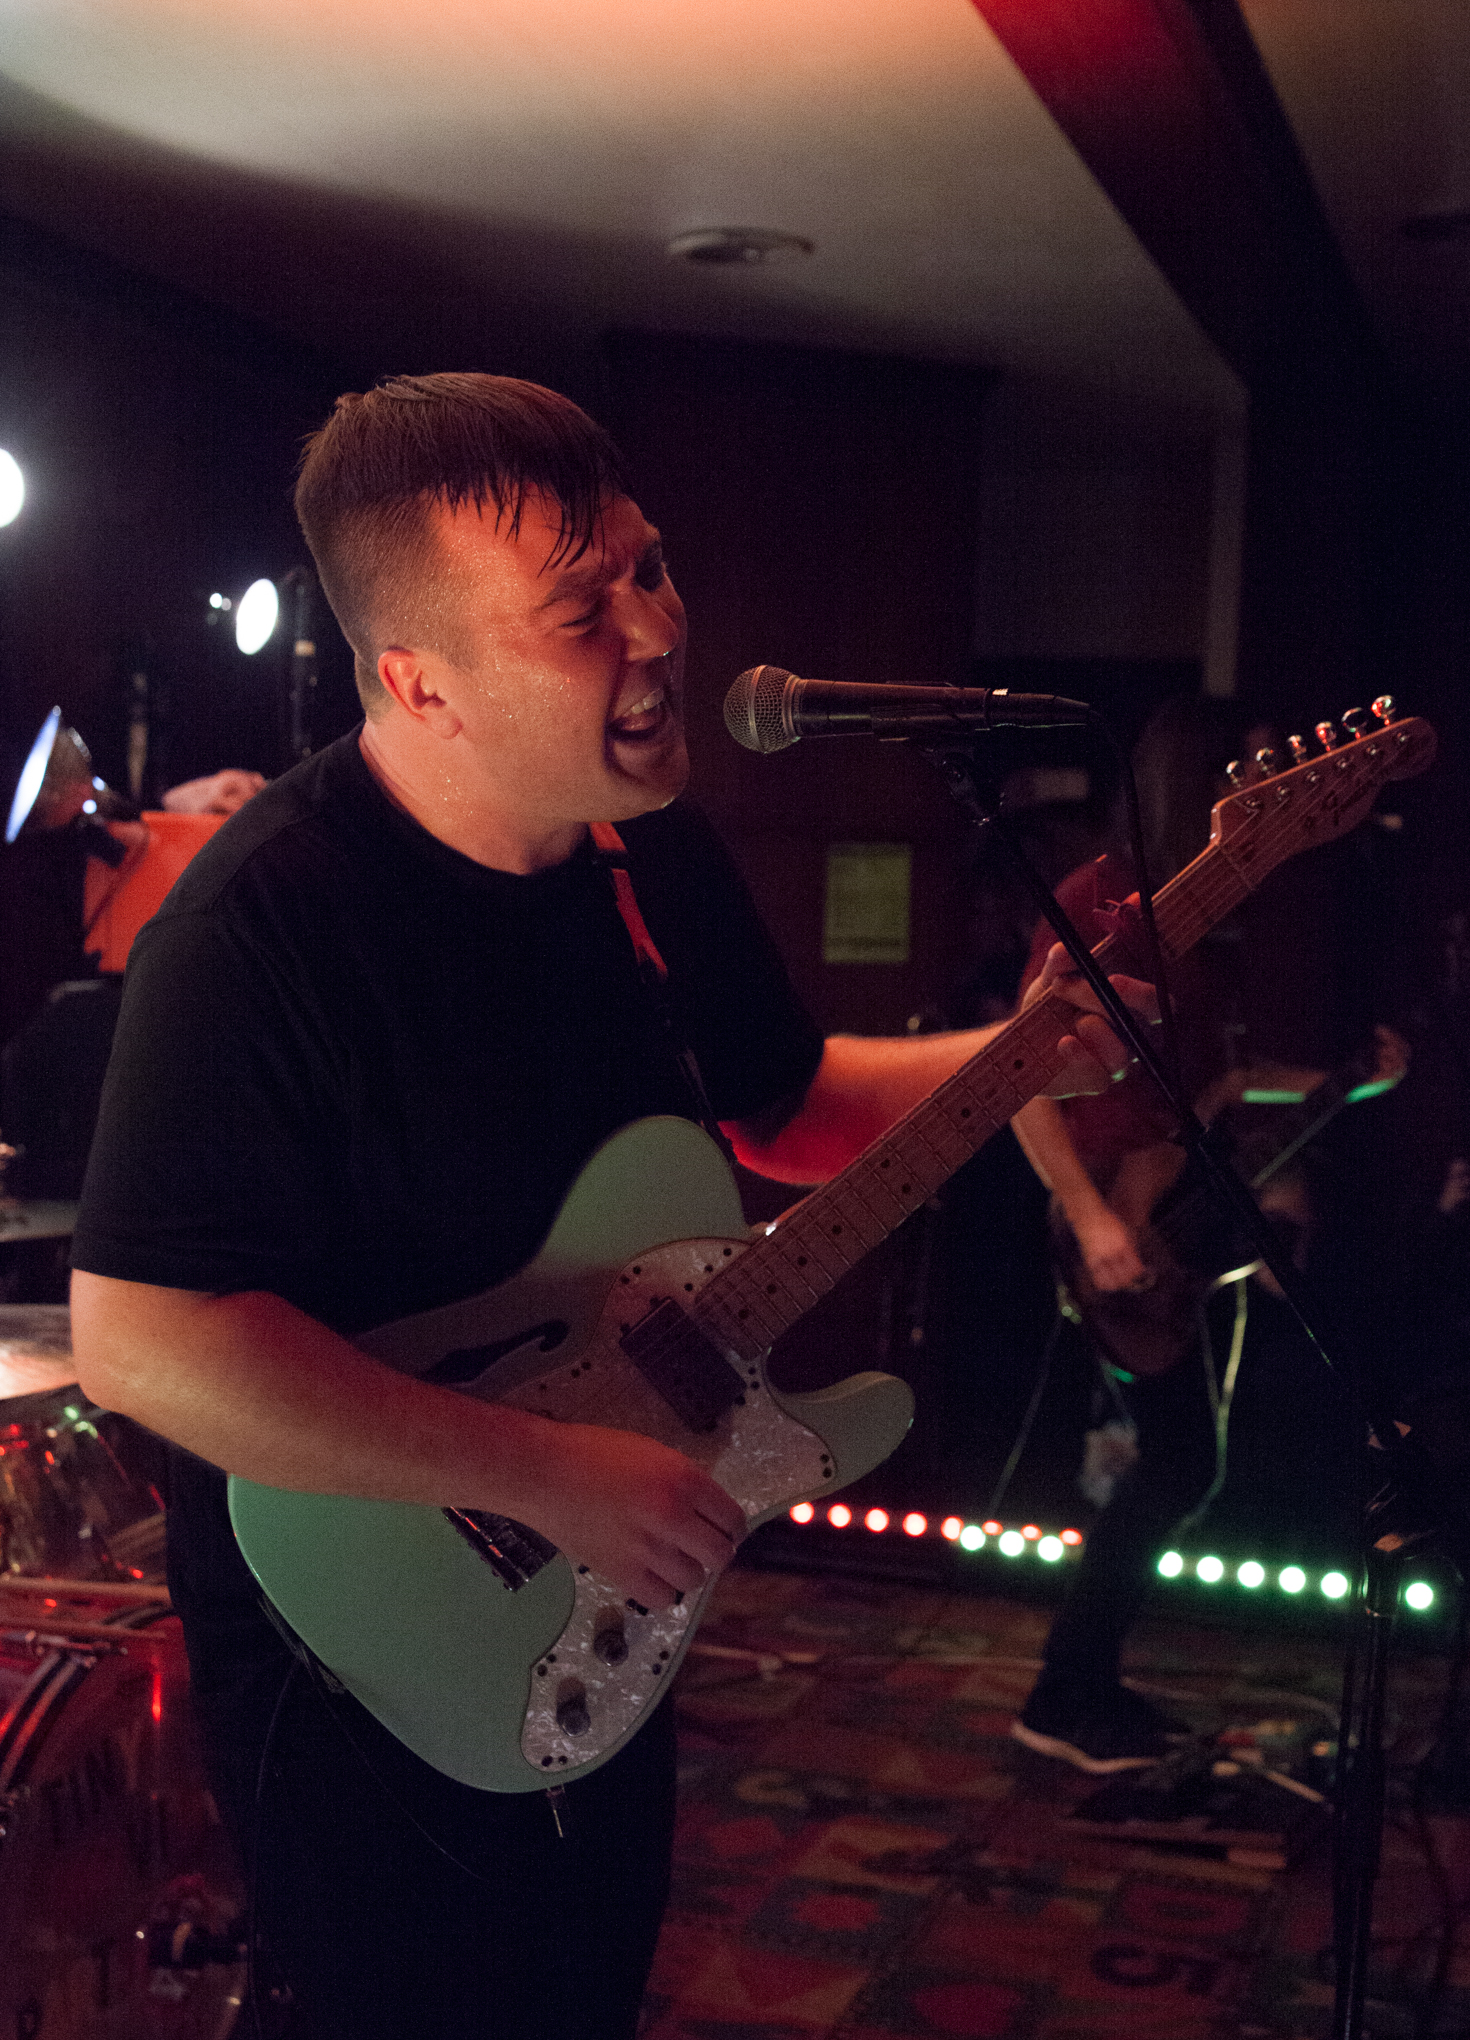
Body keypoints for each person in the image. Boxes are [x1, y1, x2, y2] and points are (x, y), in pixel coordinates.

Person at [68, 373, 1155, 2039]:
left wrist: (1024, 1056)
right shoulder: (262, 924)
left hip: (589, 1584)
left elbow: (784, 1103)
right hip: (352, 1642)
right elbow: (143, 1345)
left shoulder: (643, 851)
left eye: (650, 566)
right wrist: (541, 1471)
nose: (658, 629)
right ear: (419, 677)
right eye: (583, 608)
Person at [1005, 696, 1405, 1775]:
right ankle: (1062, 1690)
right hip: (1112, 1224)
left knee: (1182, 1464)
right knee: (1176, 1462)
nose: (1265, 797)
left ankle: (1082, 1682)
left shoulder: (1209, 922)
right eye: (1250, 777)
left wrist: (1350, 1083)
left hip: (1168, 1220)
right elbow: (1016, 1080)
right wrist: (1093, 1218)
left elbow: (1217, 1086)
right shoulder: (1096, 904)